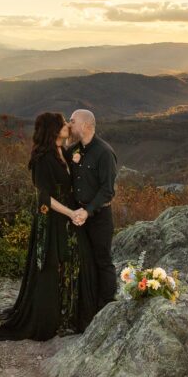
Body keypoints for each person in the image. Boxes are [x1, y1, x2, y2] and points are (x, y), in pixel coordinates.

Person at [0, 112, 99, 341]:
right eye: (62, 124)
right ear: (53, 130)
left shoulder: (63, 152)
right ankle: (51, 318)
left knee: (73, 264)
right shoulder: (42, 158)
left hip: (71, 220)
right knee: (52, 268)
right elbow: (44, 198)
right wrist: (71, 213)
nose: (66, 126)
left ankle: (68, 315)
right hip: (53, 220)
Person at [65, 109, 119, 311]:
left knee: (102, 260)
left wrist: (87, 211)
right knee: (84, 261)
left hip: (99, 217)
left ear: (86, 125)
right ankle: (87, 306)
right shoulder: (73, 150)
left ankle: (107, 307)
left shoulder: (104, 152)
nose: (69, 124)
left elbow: (108, 190)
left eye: (72, 121)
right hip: (77, 216)